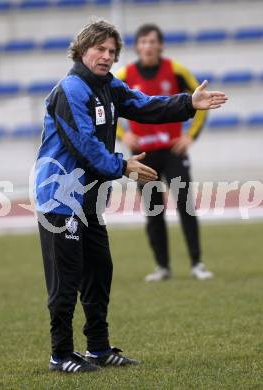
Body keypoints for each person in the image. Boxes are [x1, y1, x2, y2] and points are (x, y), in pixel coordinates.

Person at [34, 20, 227, 374]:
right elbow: (84, 146)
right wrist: (123, 166)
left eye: (112, 51)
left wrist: (188, 103)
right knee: (67, 280)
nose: (107, 56)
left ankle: (98, 348)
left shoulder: (108, 86)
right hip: (59, 199)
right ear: (81, 50)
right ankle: (60, 355)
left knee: (99, 273)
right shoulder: (70, 91)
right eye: (100, 50)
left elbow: (145, 105)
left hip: (89, 199)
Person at [116, 24, 214, 282]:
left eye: (152, 41)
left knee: (185, 206)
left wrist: (189, 136)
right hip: (144, 156)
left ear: (160, 45)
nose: (147, 46)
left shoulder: (176, 71)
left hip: (173, 152)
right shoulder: (124, 75)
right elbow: (105, 106)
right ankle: (162, 267)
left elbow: (200, 102)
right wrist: (123, 135)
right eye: (143, 42)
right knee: (153, 210)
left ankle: (197, 263)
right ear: (137, 46)